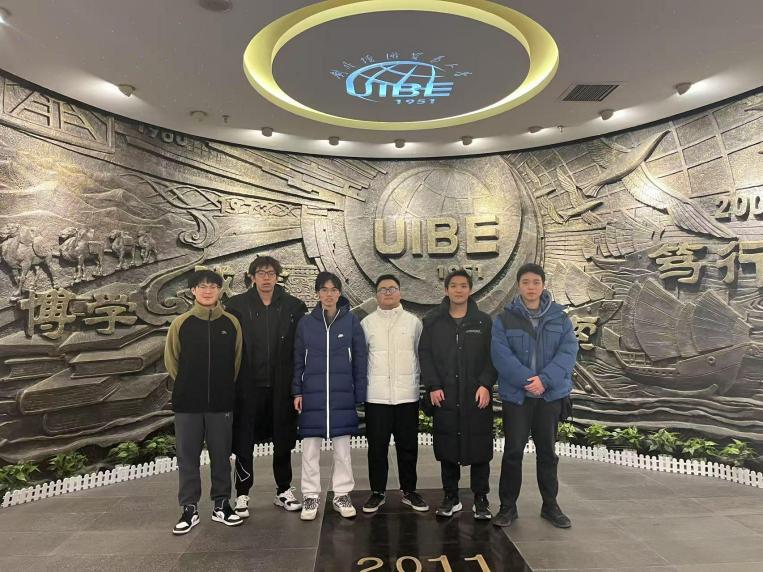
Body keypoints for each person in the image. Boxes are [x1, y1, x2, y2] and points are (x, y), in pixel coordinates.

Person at [491, 263, 578, 529]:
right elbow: (500, 355)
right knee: (513, 452)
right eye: (526, 282)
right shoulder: (504, 319)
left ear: (543, 285)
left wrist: (545, 380)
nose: (531, 287)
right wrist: (528, 381)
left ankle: (550, 505)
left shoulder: (560, 318)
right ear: (518, 285)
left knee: (548, 453)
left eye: (536, 282)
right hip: (517, 397)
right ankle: (507, 507)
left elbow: (568, 352)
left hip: (549, 397)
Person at [225, 256, 307, 518]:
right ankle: (242, 493)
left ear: (277, 276)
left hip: (281, 387)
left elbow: (300, 348)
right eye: (261, 273)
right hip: (247, 386)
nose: (266, 277)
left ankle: (283, 490)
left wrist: (297, 385)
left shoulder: (294, 306)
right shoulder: (236, 306)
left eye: (271, 273)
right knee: (244, 440)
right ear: (252, 277)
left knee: (283, 439)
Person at [164, 269, 244, 534]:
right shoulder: (181, 323)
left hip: (221, 403)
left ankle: (221, 504)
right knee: (188, 458)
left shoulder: (231, 323)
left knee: (221, 456)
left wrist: (221, 387)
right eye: (202, 286)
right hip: (188, 403)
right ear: (193, 291)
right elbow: (172, 362)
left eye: (212, 286)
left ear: (220, 290)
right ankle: (189, 508)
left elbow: (236, 362)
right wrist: (190, 385)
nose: (208, 290)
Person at [419, 269, 497, 520]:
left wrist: (485, 384)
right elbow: (425, 355)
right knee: (448, 446)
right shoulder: (433, 321)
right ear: (446, 290)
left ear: (470, 289)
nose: (459, 290)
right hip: (445, 395)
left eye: (463, 285)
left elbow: (493, 357)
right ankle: (450, 497)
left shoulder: (483, 322)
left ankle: (481, 499)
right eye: (454, 285)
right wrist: (433, 386)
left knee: (480, 447)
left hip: (476, 395)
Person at [292, 271, 368, 521]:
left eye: (333, 290)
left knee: (343, 450)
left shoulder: (351, 321)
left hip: (342, 394)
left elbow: (360, 359)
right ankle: (310, 495)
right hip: (312, 394)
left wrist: (359, 392)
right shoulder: (306, 323)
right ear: (317, 293)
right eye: (324, 290)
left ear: (339, 293)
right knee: (310, 449)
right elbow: (297, 360)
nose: (328, 294)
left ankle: (342, 494)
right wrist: (297, 390)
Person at [361, 274, 429, 514]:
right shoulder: (367, 323)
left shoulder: (413, 323)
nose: (388, 293)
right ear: (376, 295)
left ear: (400, 292)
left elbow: (421, 356)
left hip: (406, 396)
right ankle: (377, 492)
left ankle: (409, 491)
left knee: (408, 447)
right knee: (376, 447)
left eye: (392, 288)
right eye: (383, 289)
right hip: (376, 396)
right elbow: (362, 358)